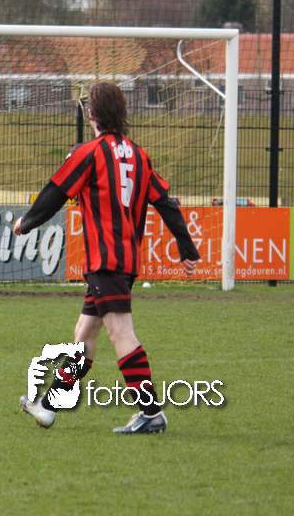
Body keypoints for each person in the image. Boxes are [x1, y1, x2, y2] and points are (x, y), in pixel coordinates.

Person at [14, 81, 200, 434]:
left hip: (104, 260)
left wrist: (27, 221)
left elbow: (56, 191)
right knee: (84, 335)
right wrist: (187, 248)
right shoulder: (140, 156)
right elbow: (166, 203)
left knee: (121, 333)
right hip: (125, 260)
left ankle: (151, 413)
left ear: (91, 114)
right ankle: (49, 406)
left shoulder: (89, 152)